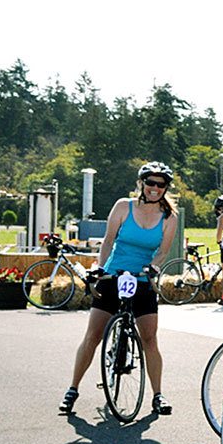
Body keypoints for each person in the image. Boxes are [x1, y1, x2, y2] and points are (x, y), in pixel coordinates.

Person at [57, 162, 180, 417]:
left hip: (143, 278)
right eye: (151, 183)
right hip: (114, 274)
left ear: (166, 187)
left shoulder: (169, 217)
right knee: (93, 335)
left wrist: (154, 267)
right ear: (141, 184)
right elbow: (108, 241)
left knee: (149, 338)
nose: (155, 188)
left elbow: (163, 252)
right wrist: (101, 268)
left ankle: (158, 395)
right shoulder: (124, 207)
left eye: (161, 184)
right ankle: (72, 389)